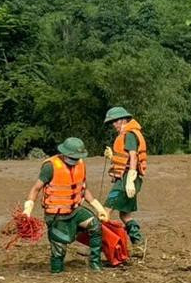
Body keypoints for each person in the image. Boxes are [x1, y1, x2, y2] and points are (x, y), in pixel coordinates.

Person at [22, 137, 109, 273]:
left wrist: (98, 207)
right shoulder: (50, 167)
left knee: (95, 226)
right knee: (59, 247)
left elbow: (84, 189)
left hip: (75, 210)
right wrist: (27, 209)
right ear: (64, 153)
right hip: (56, 215)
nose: (74, 161)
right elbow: (36, 188)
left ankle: (95, 263)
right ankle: (57, 271)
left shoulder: (81, 165)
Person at [102, 107, 147, 257]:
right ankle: (139, 244)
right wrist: (112, 157)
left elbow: (133, 157)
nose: (113, 125)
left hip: (127, 179)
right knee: (125, 215)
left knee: (105, 211)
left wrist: (130, 180)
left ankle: (95, 245)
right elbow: (125, 158)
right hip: (129, 178)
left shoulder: (129, 135)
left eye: (115, 121)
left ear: (122, 120)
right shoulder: (128, 134)